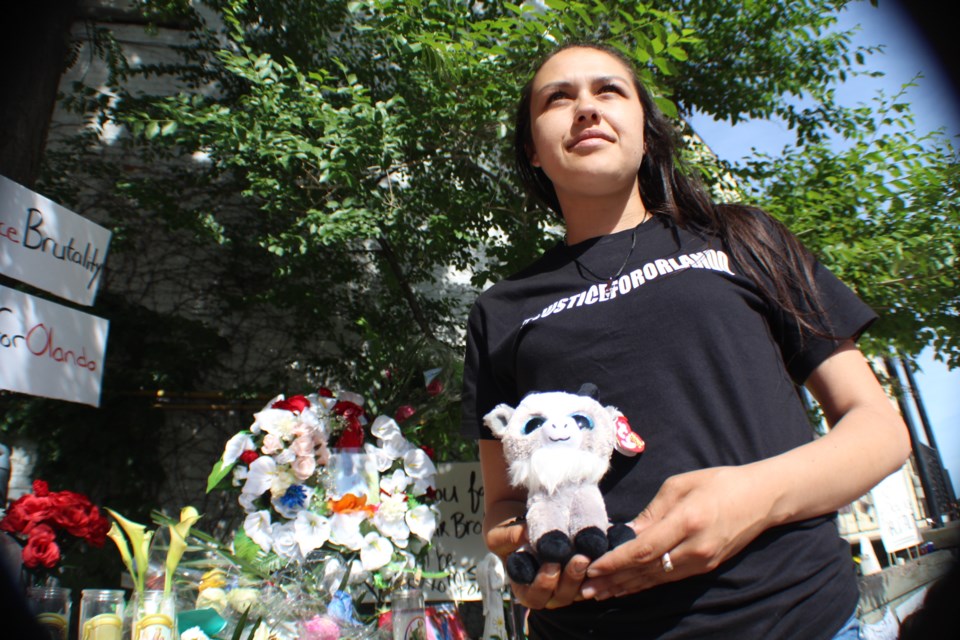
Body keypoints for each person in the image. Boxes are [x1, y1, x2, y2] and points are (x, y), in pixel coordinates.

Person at [460, 43, 911, 639]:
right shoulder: (498, 310)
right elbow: (502, 507)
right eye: (558, 98)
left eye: (609, 91)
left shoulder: (744, 239)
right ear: (533, 151)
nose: (586, 109)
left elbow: (879, 430)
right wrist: (525, 556)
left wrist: (753, 498)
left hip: (799, 621)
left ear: (645, 131)